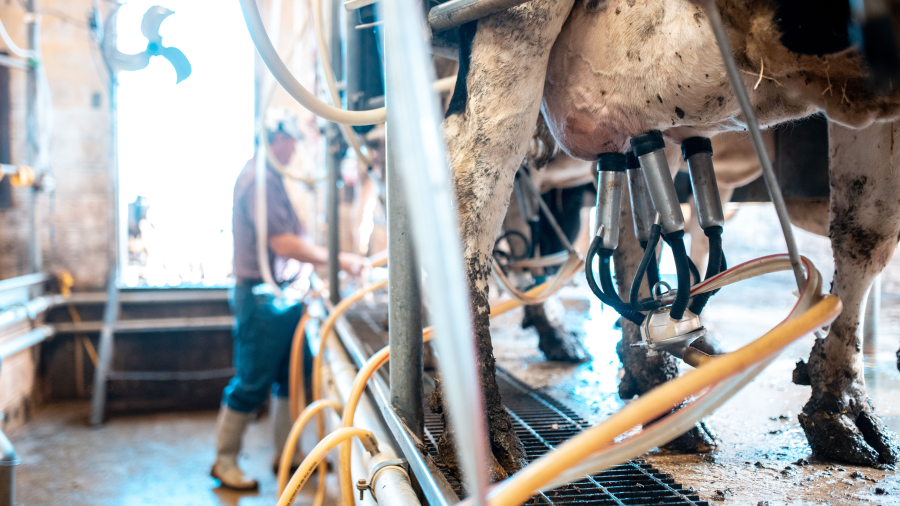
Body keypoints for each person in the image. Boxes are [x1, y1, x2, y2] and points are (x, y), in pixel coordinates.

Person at [211, 108, 367, 490]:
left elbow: (289, 241)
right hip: (261, 297)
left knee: (289, 377)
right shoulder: (259, 180)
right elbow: (282, 243)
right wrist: (340, 260)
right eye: (292, 140)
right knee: (251, 381)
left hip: (281, 296)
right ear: (277, 138)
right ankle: (224, 460)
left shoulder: (273, 178)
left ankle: (287, 453)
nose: (296, 148)